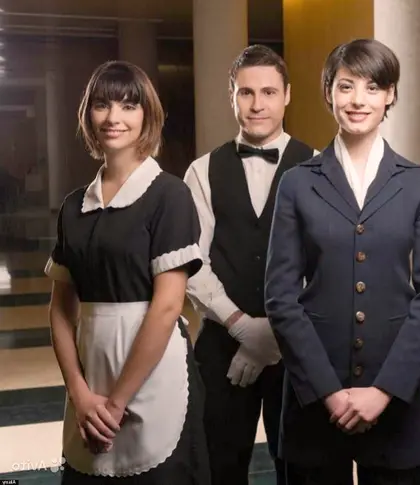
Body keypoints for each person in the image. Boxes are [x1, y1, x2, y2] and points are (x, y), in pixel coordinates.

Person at [264, 38, 420, 485]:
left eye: (372, 87)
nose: (358, 100)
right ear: (329, 93)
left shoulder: (419, 183)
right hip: (314, 389)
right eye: (346, 86)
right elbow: (280, 297)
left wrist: (384, 390)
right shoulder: (297, 183)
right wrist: (327, 393)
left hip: (395, 390)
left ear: (390, 96)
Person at [45, 60, 210, 484]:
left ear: (147, 115)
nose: (114, 117)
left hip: (156, 377)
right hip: (91, 375)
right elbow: (61, 312)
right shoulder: (72, 207)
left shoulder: (169, 196)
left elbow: (168, 305)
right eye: (102, 105)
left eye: (128, 105)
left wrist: (116, 402)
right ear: (88, 114)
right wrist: (80, 395)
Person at [183, 45, 317, 485]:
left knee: (300, 467)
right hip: (221, 344)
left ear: (288, 96)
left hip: (299, 346)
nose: (257, 104)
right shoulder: (201, 171)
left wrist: (275, 335)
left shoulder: (318, 167)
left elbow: (324, 264)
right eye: (246, 93)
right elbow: (192, 260)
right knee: (219, 468)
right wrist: (242, 326)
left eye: (268, 92)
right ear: (231, 96)